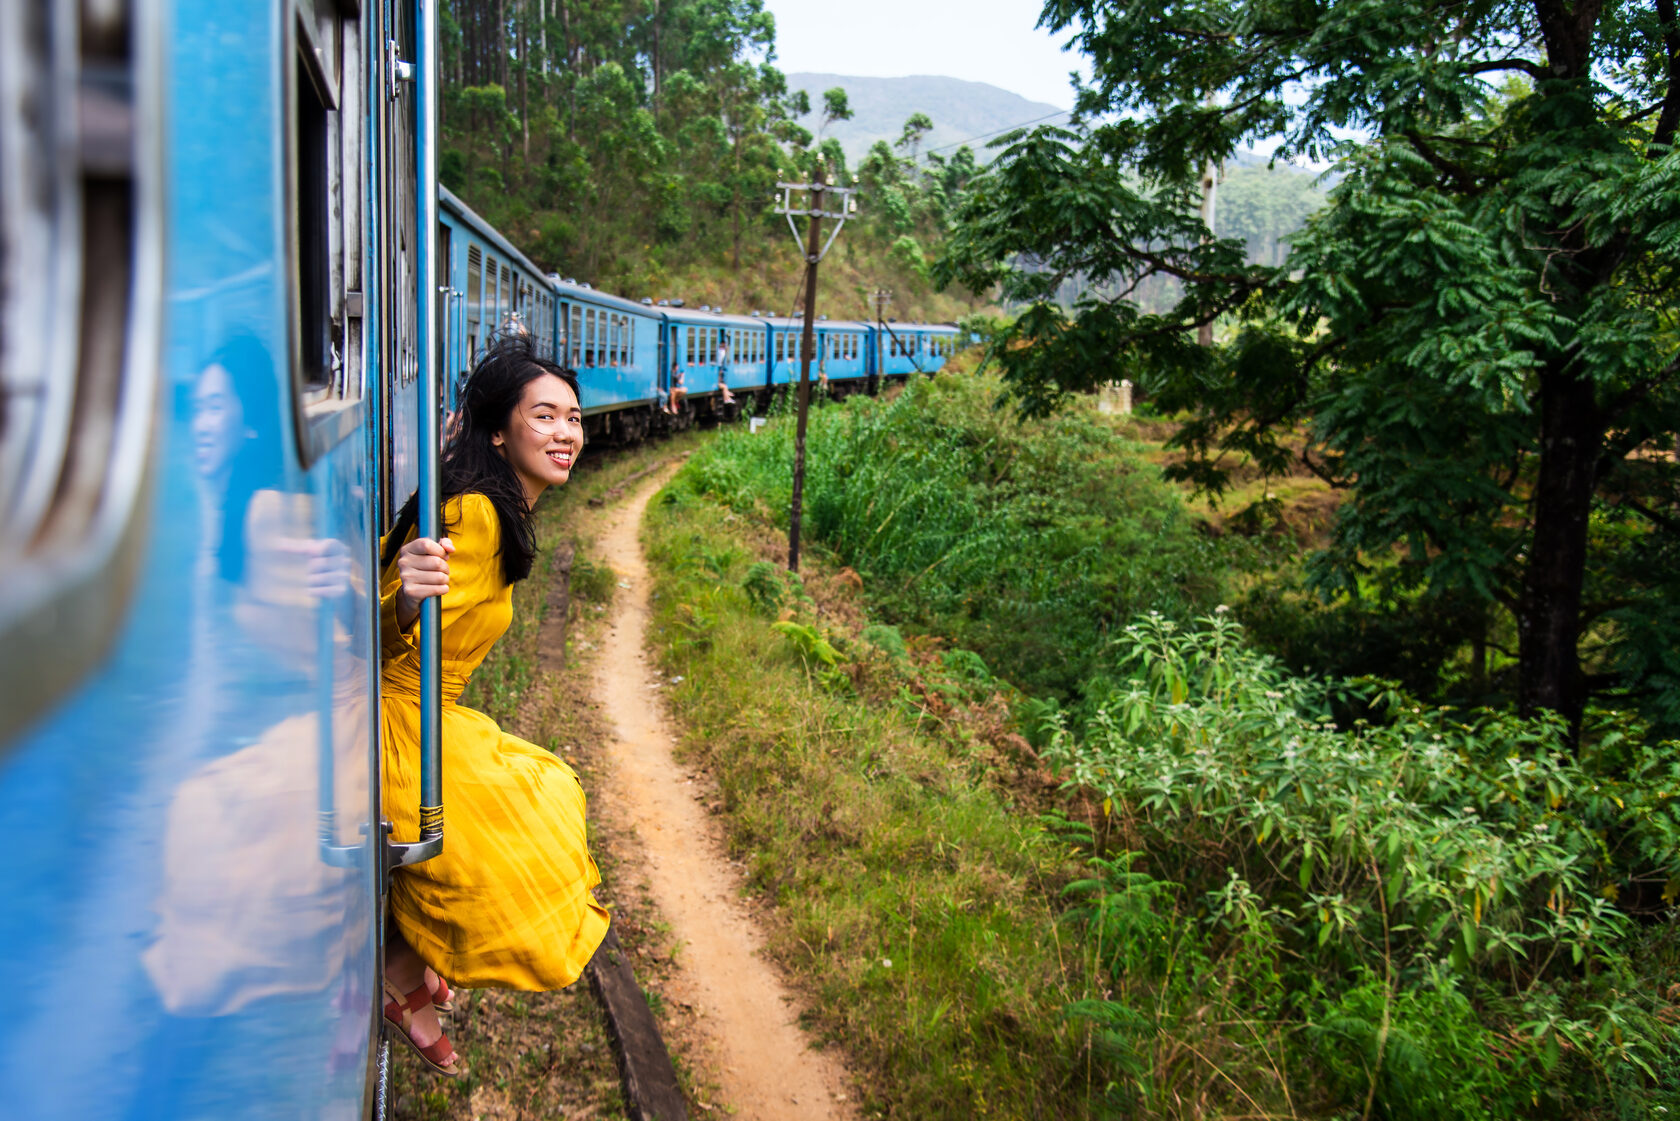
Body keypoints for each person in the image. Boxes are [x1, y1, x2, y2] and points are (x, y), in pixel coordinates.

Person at [376, 334, 609, 1077]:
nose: (566, 432)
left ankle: (414, 954)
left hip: (428, 711)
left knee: (545, 789)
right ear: (498, 429)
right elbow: (388, 621)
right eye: (544, 415)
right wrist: (402, 600)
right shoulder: (474, 513)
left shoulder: (499, 507)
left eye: (573, 417)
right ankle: (400, 971)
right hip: (392, 715)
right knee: (533, 823)